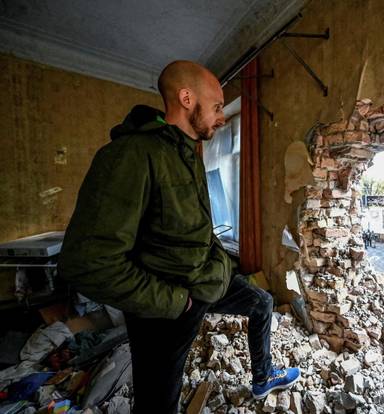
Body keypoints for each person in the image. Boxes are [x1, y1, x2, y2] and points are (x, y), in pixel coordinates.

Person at [58, 61, 300, 413]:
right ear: (187, 98)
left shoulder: (185, 153)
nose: (222, 117)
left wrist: (218, 264)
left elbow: (195, 228)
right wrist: (174, 302)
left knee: (261, 302)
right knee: (158, 402)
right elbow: (87, 263)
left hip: (203, 282)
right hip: (164, 309)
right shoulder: (130, 155)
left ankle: (262, 378)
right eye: (217, 107)